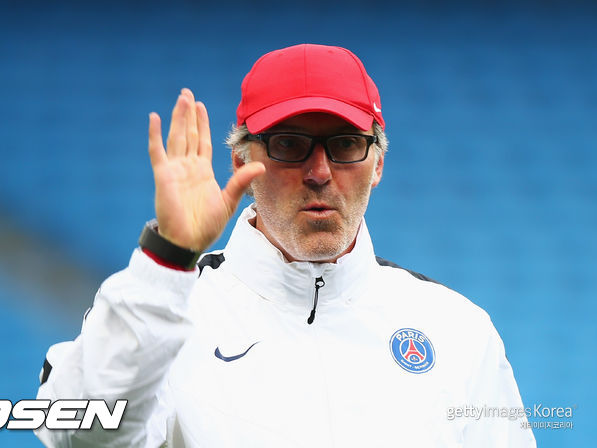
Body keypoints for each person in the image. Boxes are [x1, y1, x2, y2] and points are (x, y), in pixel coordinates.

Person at [35, 44, 536, 447]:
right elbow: (83, 435)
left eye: (345, 144)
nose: (319, 172)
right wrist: (168, 257)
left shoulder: (457, 329)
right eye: (290, 144)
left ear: (378, 163)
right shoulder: (166, 309)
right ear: (241, 162)